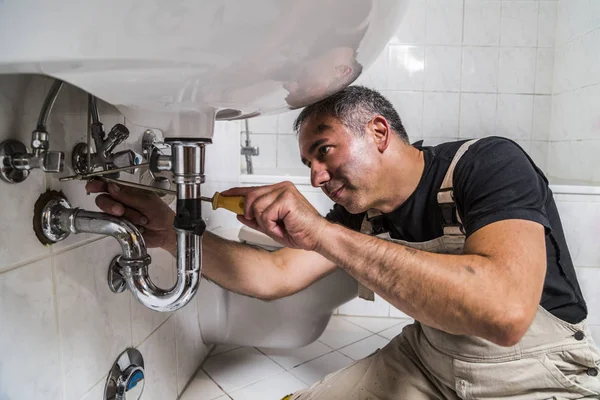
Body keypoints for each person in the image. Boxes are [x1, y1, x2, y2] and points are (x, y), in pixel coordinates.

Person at [86, 86, 600, 399]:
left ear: (378, 132)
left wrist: (326, 234)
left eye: (324, 150)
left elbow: (505, 311)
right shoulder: (360, 214)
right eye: (310, 162)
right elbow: (273, 276)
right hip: (429, 358)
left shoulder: (486, 164)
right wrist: (171, 232)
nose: (316, 176)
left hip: (536, 374)